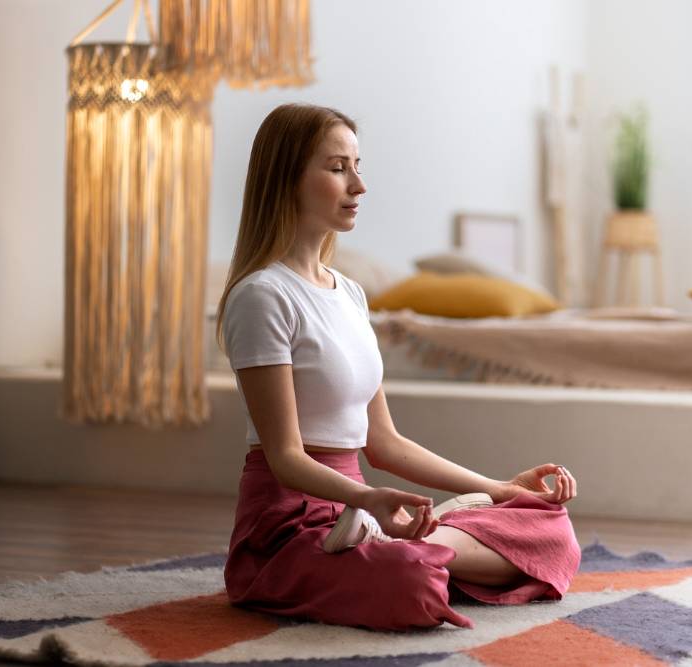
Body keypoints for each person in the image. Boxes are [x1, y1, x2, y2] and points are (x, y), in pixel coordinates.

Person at [217, 103, 581, 631]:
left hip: (361, 515)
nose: (358, 185)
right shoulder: (261, 297)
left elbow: (384, 445)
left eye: (357, 165)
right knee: (410, 582)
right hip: (288, 528)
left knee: (551, 529)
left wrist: (502, 489)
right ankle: (418, 547)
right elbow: (284, 458)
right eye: (338, 168)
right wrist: (367, 498)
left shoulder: (351, 295)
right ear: (286, 178)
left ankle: (421, 538)